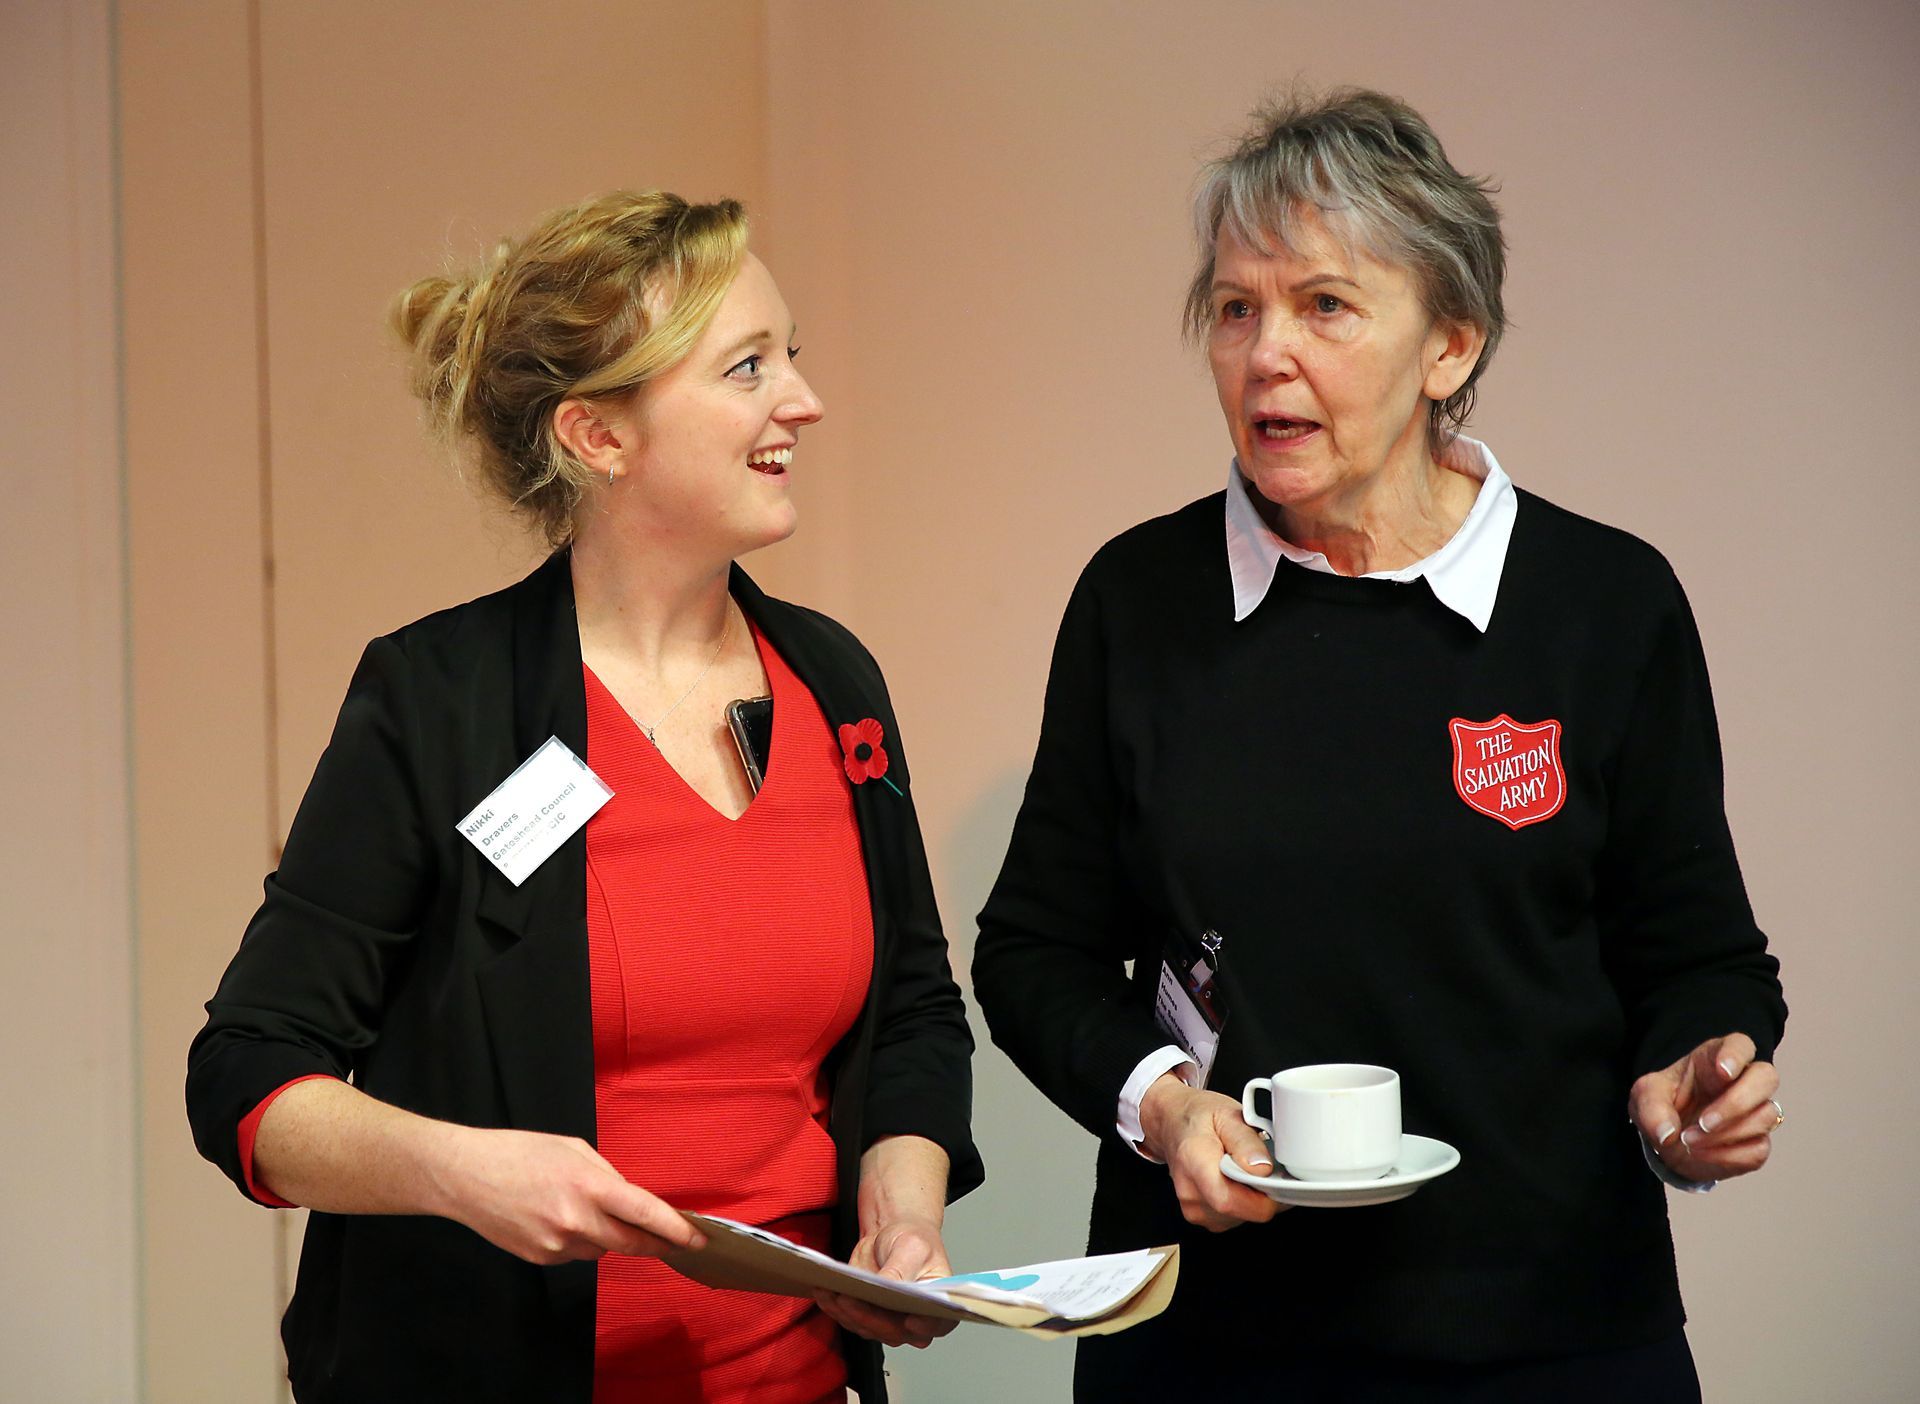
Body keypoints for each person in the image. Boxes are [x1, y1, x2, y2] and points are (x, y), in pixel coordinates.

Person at [972, 89, 1786, 1401]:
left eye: (1324, 306)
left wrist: (1697, 1085)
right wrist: (1164, 1105)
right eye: (1235, 308)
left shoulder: (1604, 603)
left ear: (1448, 344)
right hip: (1209, 1344)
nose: (1262, 354)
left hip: (1549, 1337)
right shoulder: (1141, 602)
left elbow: (1698, 956)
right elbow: (1035, 950)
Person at [186, 191, 981, 1404]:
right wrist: (469, 1176)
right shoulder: (439, 700)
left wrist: (902, 1216)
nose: (801, 404)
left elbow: (916, 1013)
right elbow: (245, 1070)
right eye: (747, 368)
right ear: (600, 439)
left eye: (792, 359)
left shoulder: (834, 682)